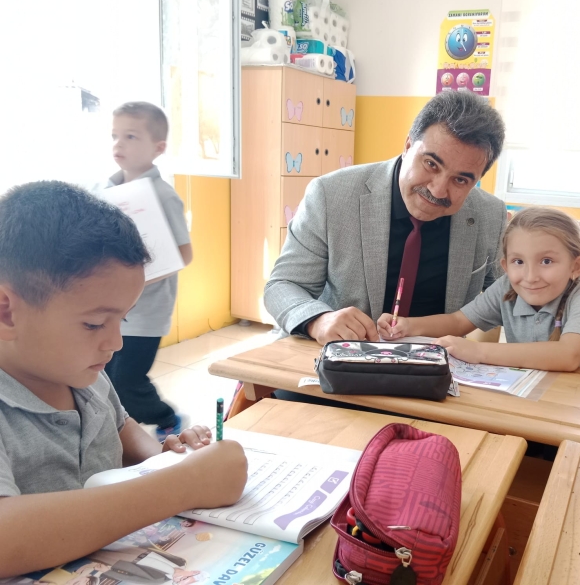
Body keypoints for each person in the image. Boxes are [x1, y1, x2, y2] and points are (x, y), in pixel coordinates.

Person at [0, 182, 247, 578]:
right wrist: (182, 485)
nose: (115, 343)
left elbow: (119, 429)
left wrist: (166, 460)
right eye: (94, 323)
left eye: (123, 318)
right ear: (7, 312)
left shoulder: (83, 374)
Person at [265, 90, 507, 345]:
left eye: (460, 180)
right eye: (431, 164)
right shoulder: (331, 195)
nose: (438, 190)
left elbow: (513, 297)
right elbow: (284, 285)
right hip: (342, 352)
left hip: (437, 361)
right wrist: (319, 320)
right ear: (407, 146)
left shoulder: (490, 215)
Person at [378, 207, 580, 372]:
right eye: (518, 261)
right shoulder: (507, 287)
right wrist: (408, 325)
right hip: (526, 401)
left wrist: (478, 351)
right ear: (505, 266)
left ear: (576, 266)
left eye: (546, 261)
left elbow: (568, 355)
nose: (530, 277)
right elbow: (458, 321)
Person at [95, 102, 193, 440]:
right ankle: (116, 430)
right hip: (109, 307)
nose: (118, 144)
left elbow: (184, 253)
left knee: (128, 379)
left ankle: (166, 418)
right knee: (105, 374)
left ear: (158, 147)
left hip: (145, 312)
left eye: (131, 137)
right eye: (115, 136)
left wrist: (134, 284)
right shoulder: (105, 191)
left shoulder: (163, 196)